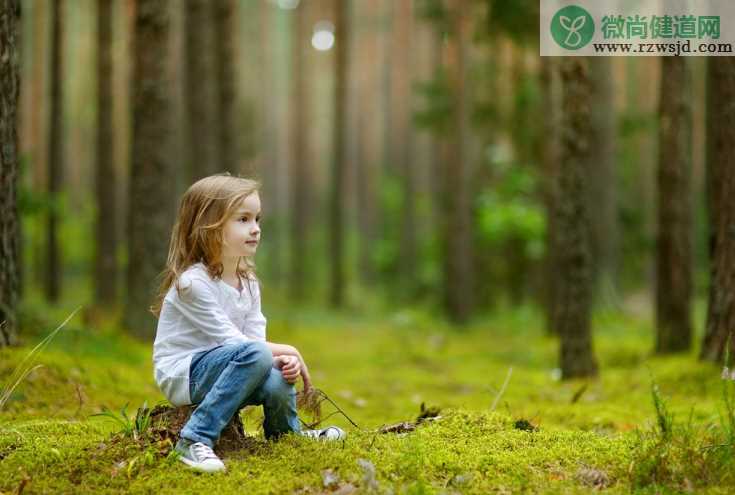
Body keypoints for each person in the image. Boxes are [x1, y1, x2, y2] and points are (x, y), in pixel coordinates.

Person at [151, 174, 345, 473]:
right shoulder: (193, 283)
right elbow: (237, 343)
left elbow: (254, 340)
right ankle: (194, 439)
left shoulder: (249, 281)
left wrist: (280, 360)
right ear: (209, 226)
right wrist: (288, 349)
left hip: (231, 364)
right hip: (184, 374)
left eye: (257, 219)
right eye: (242, 219)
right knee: (260, 354)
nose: (255, 229)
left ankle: (286, 434)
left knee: (277, 371)